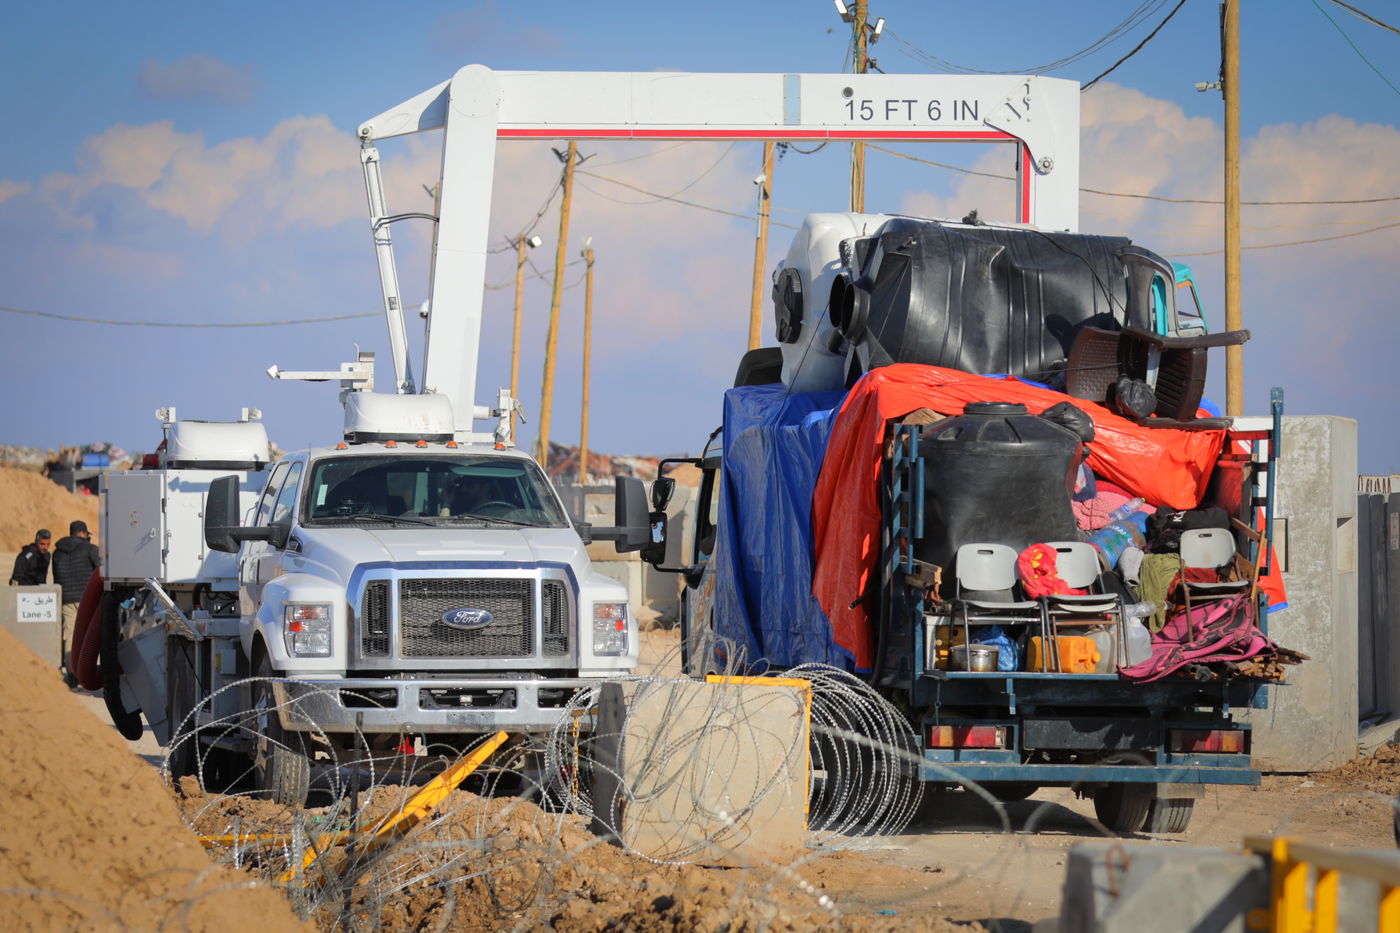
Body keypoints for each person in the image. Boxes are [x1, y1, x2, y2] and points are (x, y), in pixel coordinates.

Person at [51, 520, 100, 687]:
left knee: (69, 635)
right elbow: (101, 572)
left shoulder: (57, 552)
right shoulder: (91, 549)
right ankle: (89, 671)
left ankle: (72, 674)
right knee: (91, 636)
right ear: (83, 533)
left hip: (66, 599)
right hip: (88, 598)